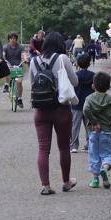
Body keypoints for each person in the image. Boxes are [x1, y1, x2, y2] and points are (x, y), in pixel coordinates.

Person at [29, 31, 78, 194]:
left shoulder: (34, 61)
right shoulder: (62, 59)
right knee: (64, 147)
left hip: (40, 110)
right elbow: (75, 81)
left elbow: (33, 83)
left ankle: (45, 186)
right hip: (61, 109)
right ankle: (66, 182)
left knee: (43, 148)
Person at [83, 71, 111, 189]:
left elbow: (86, 110)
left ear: (93, 85)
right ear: (108, 86)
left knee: (94, 154)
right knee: (107, 154)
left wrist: (94, 122)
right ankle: (105, 169)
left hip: (93, 131)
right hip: (107, 131)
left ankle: (95, 180)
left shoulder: (89, 98)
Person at [70, 53, 95, 153]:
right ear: (89, 64)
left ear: (78, 64)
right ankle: (90, 144)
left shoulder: (76, 75)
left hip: (77, 104)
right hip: (89, 104)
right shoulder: (93, 75)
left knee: (75, 126)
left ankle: (74, 145)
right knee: (89, 126)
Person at [1, 31, 26, 108]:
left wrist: (25, 58)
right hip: (9, 65)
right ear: (9, 39)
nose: (13, 40)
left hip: (18, 66)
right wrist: (4, 60)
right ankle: (6, 85)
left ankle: (19, 98)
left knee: (19, 82)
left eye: (14, 38)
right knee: (5, 67)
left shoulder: (20, 47)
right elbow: (3, 55)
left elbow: (24, 54)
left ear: (16, 39)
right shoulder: (5, 47)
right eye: (11, 38)